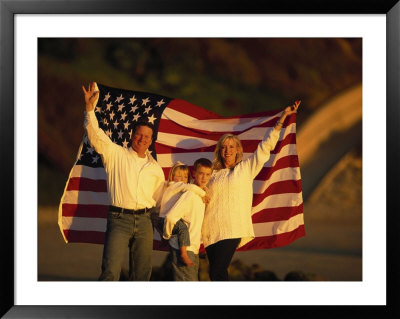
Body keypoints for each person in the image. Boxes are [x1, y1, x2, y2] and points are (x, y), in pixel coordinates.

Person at [201, 100, 301, 281]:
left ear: (238, 150)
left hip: (232, 229)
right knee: (216, 274)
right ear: (219, 151)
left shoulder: (246, 168)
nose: (227, 150)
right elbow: (199, 195)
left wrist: (282, 117)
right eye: (223, 147)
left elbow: (265, 147)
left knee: (217, 272)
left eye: (231, 146)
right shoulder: (212, 174)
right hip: (210, 230)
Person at [82, 82, 165, 281]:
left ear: (151, 140)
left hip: (145, 222)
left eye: (147, 136)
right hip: (119, 220)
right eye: (139, 134)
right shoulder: (115, 154)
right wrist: (89, 110)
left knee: (142, 276)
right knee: (110, 272)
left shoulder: (155, 169)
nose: (142, 139)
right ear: (132, 135)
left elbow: (160, 201)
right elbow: (95, 135)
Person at [163, 158, 213, 281]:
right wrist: (167, 235)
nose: (204, 177)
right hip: (183, 248)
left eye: (207, 174)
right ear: (194, 173)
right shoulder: (190, 195)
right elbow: (170, 217)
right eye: (201, 173)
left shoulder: (201, 194)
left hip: (193, 248)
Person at [155, 161, 208, 267]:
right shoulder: (174, 185)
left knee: (180, 228)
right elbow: (191, 187)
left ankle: (165, 239)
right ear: (172, 176)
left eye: (185, 176)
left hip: (164, 220)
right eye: (179, 176)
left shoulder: (181, 189)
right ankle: (184, 254)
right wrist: (203, 194)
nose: (182, 179)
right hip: (164, 219)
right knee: (183, 229)